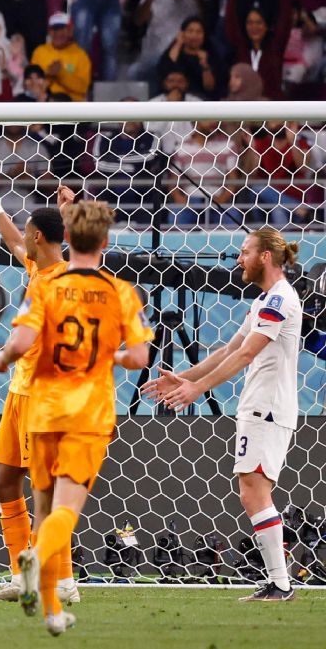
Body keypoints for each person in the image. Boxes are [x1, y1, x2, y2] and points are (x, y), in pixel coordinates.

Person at [0, 201, 152, 636]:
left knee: (45, 503)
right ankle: (44, 581)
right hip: (89, 410)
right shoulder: (120, 291)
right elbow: (140, 357)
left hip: (43, 400)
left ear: (52, 238)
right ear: (103, 242)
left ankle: (50, 581)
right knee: (54, 502)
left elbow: (21, 340)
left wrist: (4, 356)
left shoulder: (49, 287)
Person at [144, 230, 301, 601]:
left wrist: (197, 389)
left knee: (254, 492)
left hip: (268, 407)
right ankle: (278, 583)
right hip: (259, 407)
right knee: (252, 492)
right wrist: (185, 378)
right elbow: (230, 348)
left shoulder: (279, 299)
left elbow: (246, 354)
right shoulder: (265, 299)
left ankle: (280, 584)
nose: (238, 260)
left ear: (265, 256)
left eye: (245, 252)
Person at [0, 177, 78, 605]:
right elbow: (14, 240)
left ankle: (63, 579)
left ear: (40, 236)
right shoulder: (39, 267)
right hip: (19, 396)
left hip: (44, 399)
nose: (22, 245)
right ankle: (21, 576)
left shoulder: (66, 280)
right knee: (5, 485)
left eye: (29, 233)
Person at [29, 13, 92, 102]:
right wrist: (49, 74)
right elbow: (31, 84)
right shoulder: (40, 52)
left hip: (72, 106)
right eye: (54, 30)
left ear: (70, 31)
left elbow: (83, 88)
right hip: (44, 105)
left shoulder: (81, 55)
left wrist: (61, 74)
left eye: (62, 29)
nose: (58, 33)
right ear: (49, 32)